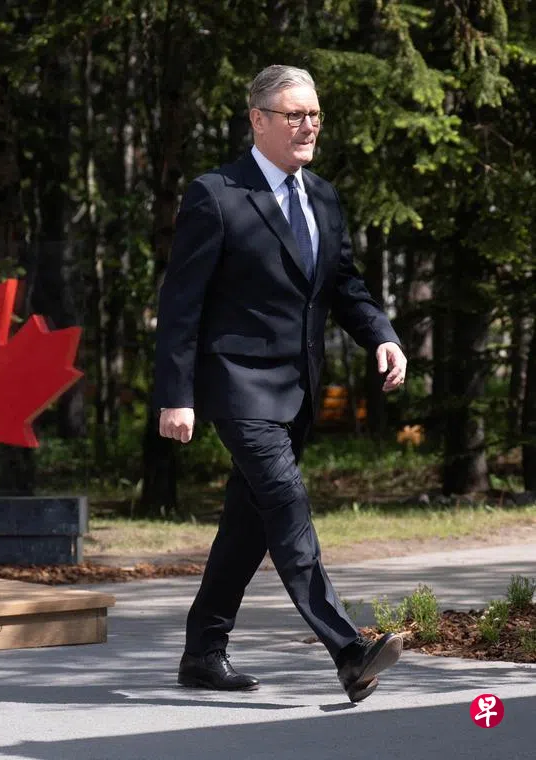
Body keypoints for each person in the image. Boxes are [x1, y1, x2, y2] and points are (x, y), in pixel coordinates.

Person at [151, 64, 408, 703]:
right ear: (258, 120)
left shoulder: (322, 196)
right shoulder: (216, 194)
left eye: (314, 114)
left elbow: (343, 285)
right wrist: (176, 395)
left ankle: (202, 653)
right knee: (288, 507)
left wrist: (381, 335)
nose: (308, 125)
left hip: (298, 390)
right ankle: (348, 650)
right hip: (238, 385)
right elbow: (181, 304)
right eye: (294, 115)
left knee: (248, 525)